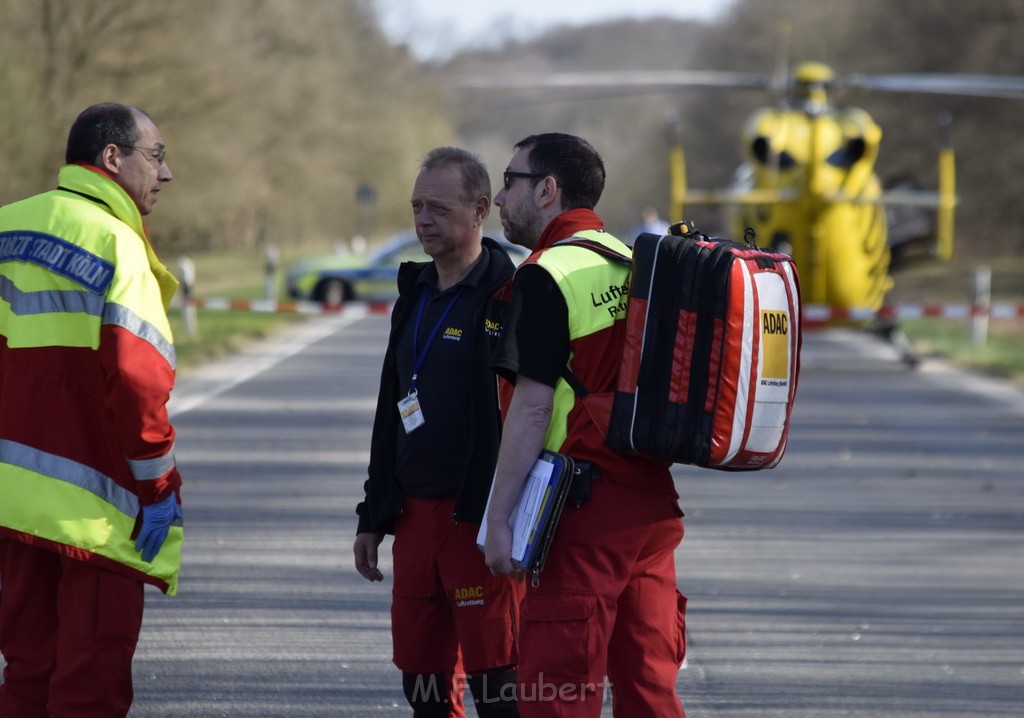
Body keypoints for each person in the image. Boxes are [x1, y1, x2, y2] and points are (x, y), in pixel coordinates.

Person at [483, 133, 687, 717]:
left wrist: (499, 520)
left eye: (509, 180)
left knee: (559, 693)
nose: (499, 197)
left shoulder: (548, 272)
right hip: (650, 508)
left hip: (582, 513)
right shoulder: (631, 263)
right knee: (650, 689)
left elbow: (533, 406)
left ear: (548, 190)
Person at [0, 103, 183, 717]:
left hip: (11, 504)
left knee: (28, 671)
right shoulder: (117, 243)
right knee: (90, 682)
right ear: (112, 158)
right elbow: (138, 380)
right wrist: (157, 484)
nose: (166, 174)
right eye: (155, 157)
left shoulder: (5, 224)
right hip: (96, 513)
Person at [353, 146, 523, 717]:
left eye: (438, 208)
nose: (423, 219)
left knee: (498, 686)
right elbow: (389, 408)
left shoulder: (513, 294)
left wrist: (504, 517)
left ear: (480, 210)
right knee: (422, 687)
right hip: (414, 521)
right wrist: (372, 515)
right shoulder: (414, 293)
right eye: (416, 206)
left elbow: (530, 414)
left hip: (478, 519)